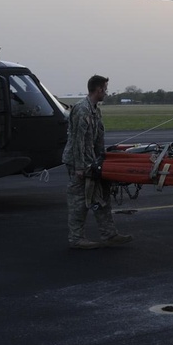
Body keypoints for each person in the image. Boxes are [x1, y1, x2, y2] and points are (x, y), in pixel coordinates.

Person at [62, 75, 133, 249]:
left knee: (101, 198)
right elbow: (78, 139)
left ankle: (109, 235)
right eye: (105, 89)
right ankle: (76, 239)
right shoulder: (82, 109)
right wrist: (79, 166)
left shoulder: (95, 110)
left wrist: (103, 159)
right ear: (99, 89)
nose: (106, 92)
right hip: (79, 163)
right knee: (79, 201)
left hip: (92, 162)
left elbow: (98, 138)